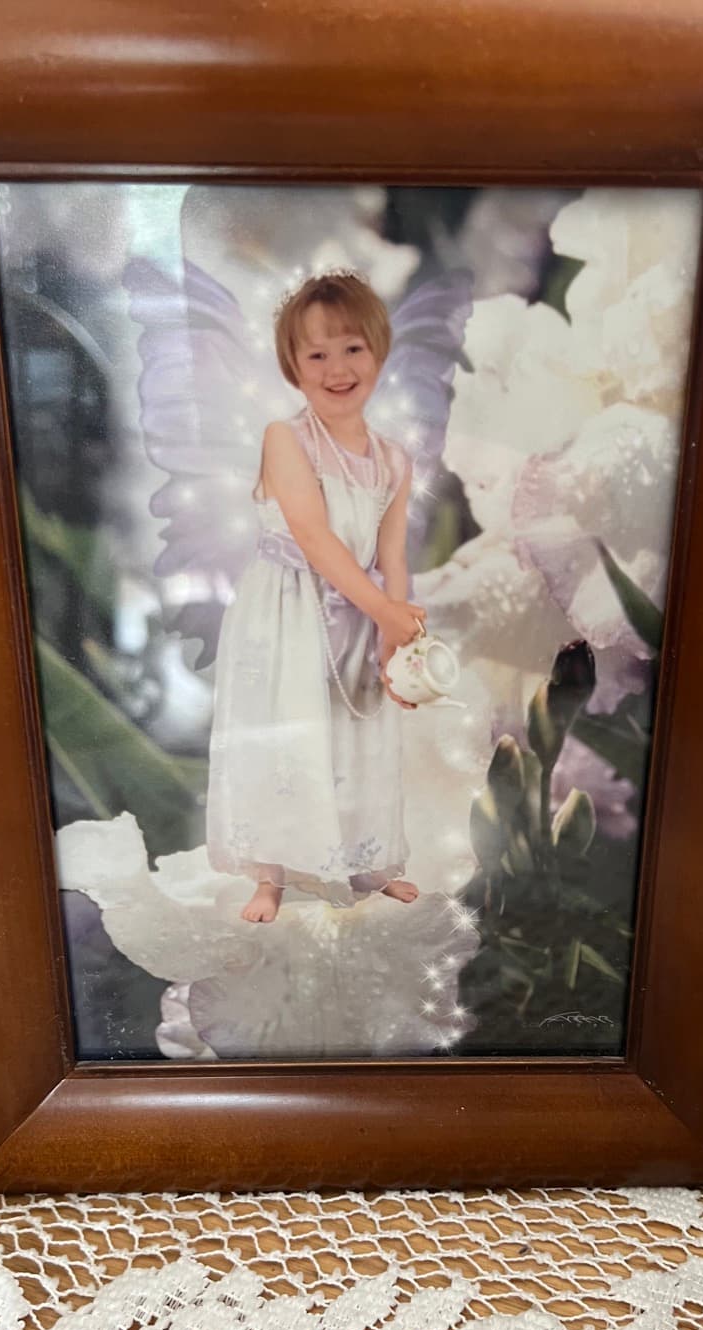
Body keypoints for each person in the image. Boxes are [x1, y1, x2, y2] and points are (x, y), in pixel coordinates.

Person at [206, 271, 426, 922]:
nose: (337, 368)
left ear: (379, 354)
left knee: (357, 732)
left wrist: (398, 634)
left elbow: (392, 557)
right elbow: (314, 537)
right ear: (293, 367)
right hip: (287, 609)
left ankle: (366, 859)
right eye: (316, 354)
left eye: (353, 349)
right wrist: (384, 610)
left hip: (358, 608)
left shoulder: (393, 459)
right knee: (285, 731)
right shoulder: (287, 437)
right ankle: (270, 874)